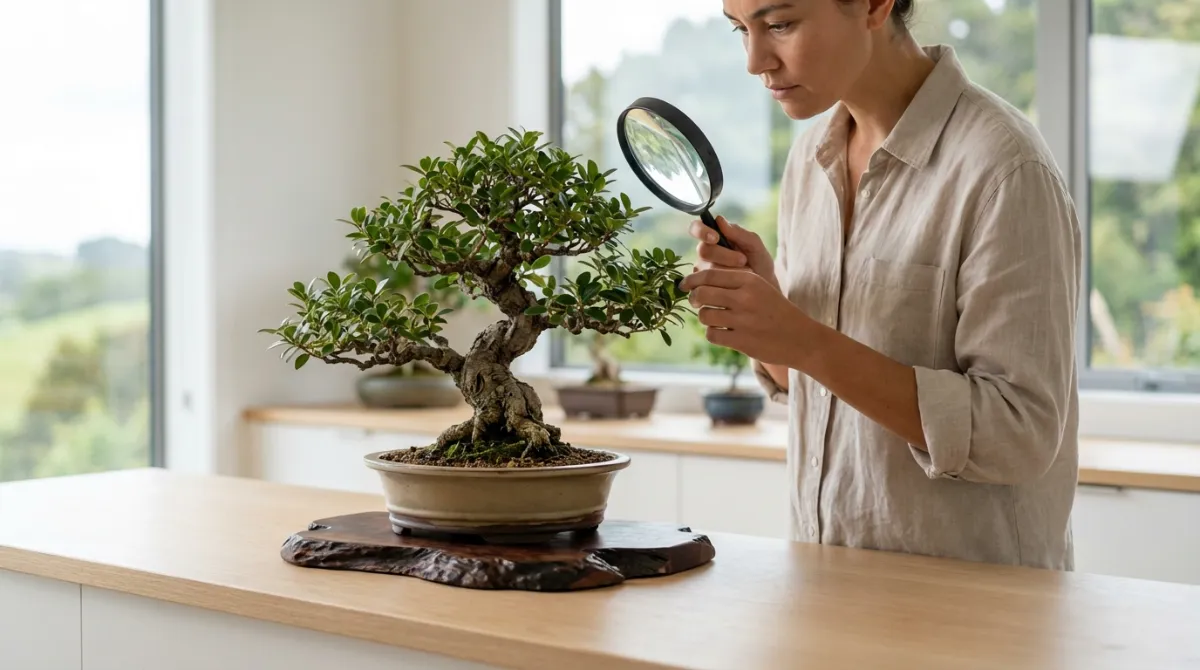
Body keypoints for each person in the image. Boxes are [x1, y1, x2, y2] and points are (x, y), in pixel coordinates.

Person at [678, 0, 1082, 569]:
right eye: (740, 30)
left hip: (974, 618)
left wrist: (806, 339)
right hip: (824, 589)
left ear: (872, 5)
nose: (755, 61)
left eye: (780, 24)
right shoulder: (810, 157)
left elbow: (1020, 433)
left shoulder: (1004, 167)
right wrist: (772, 316)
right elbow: (817, 388)